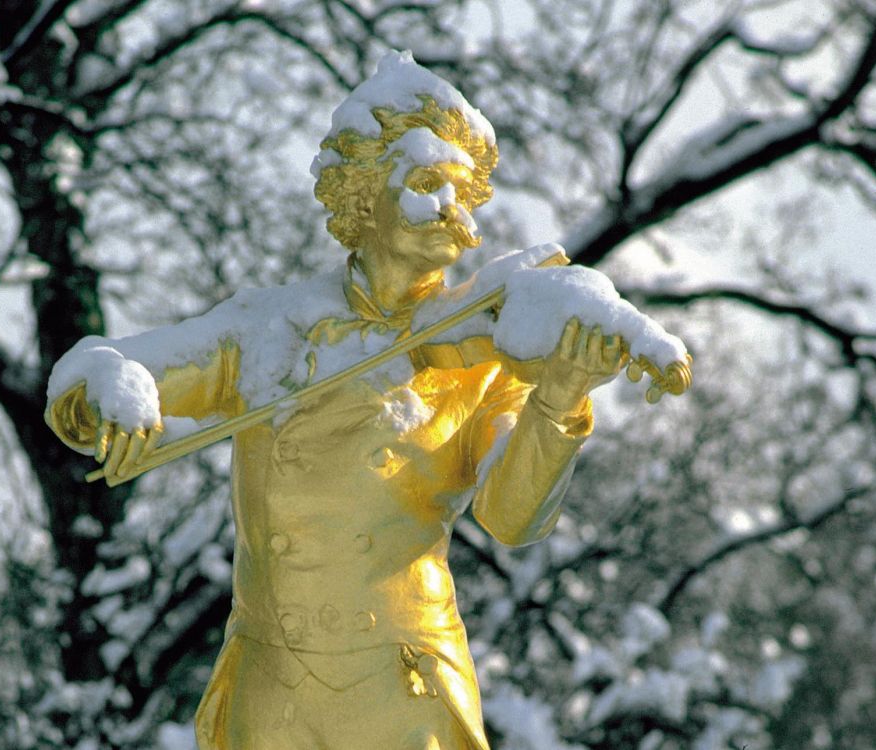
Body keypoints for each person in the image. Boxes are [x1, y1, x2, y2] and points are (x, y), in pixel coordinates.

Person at [45, 51, 625, 750]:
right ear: (362, 194)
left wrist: (560, 398)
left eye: (462, 193)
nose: (452, 210)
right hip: (274, 677)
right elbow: (110, 364)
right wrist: (107, 391)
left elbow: (511, 518)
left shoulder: (487, 350)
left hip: (401, 676)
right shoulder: (270, 326)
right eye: (426, 183)